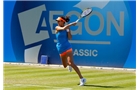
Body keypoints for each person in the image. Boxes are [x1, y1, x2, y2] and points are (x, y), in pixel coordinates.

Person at [55, 16, 86, 86]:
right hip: (60, 49)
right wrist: (71, 24)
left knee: (71, 63)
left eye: (59, 21)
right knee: (65, 65)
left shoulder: (66, 28)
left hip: (68, 47)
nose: (57, 22)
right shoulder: (57, 28)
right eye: (57, 21)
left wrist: (68, 30)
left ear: (63, 21)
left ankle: (82, 78)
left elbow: (70, 37)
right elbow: (63, 28)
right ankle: (69, 65)